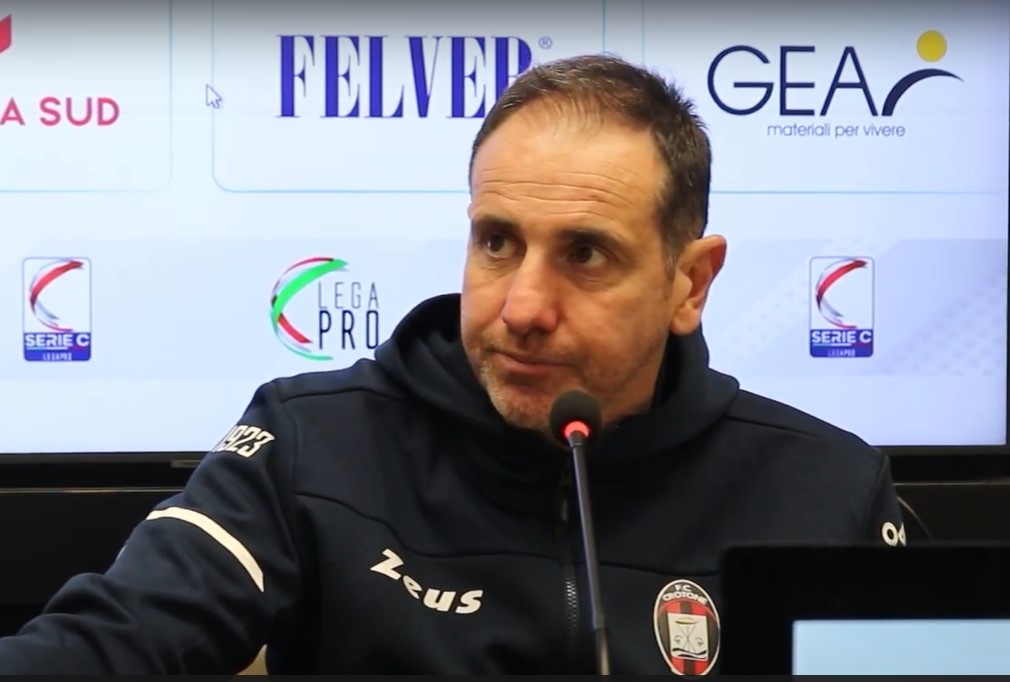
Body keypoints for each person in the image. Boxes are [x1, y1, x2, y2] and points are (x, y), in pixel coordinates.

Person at [0, 53, 905, 675]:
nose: (522, 307)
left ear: (689, 281)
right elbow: (108, 642)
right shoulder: (311, 445)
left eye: (586, 253)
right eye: (497, 242)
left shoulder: (826, 489)